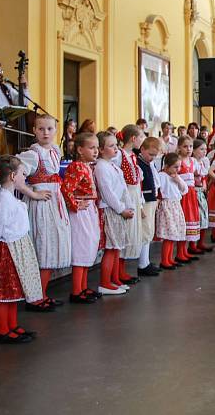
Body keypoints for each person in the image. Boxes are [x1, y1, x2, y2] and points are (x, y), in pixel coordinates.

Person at [16, 115, 72, 312]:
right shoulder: (34, 153)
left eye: (49, 129)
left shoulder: (54, 150)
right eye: (41, 129)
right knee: (43, 248)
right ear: (34, 130)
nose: (45, 132)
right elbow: (16, 177)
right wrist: (33, 193)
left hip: (54, 204)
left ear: (56, 131)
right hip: (41, 206)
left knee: (50, 247)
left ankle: (42, 294)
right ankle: (35, 298)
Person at [0, 155, 43, 344]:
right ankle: (3, 330)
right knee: (4, 293)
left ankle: (12, 325)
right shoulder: (2, 201)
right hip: (6, 251)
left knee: (13, 291)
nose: (25, 176)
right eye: (23, 173)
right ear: (13, 176)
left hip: (16, 248)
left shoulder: (9, 198)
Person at [60, 132, 102, 303]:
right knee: (81, 248)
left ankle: (83, 287)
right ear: (79, 149)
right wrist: (75, 205)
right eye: (91, 148)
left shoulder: (87, 166)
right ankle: (76, 290)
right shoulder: (77, 166)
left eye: (97, 148)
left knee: (88, 247)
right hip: (80, 212)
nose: (96, 151)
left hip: (88, 209)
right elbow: (66, 189)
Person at [94, 131, 134, 295]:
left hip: (119, 209)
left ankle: (115, 279)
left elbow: (123, 187)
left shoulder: (112, 165)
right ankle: (105, 282)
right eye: (111, 146)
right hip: (111, 210)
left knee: (117, 247)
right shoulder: (101, 167)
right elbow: (107, 192)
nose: (116, 148)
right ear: (101, 150)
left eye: (116, 145)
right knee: (111, 248)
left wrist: (129, 205)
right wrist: (121, 209)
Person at [115, 124, 145, 285]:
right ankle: (118, 271)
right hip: (125, 194)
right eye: (141, 137)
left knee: (131, 232)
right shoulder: (119, 155)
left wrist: (140, 203)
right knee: (124, 233)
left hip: (133, 194)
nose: (142, 140)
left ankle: (122, 270)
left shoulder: (132, 155)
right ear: (133, 138)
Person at [155, 153, 188, 269]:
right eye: (175, 167)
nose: (177, 169)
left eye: (179, 167)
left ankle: (170, 259)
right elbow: (158, 190)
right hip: (167, 206)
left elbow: (185, 190)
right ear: (166, 166)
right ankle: (164, 261)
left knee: (173, 233)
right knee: (168, 236)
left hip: (175, 206)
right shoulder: (162, 175)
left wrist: (178, 180)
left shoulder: (176, 177)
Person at [135, 136, 162, 276]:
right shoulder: (139, 163)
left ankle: (146, 261)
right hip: (144, 201)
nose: (152, 158)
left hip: (151, 200)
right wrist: (139, 206)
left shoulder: (149, 164)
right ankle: (142, 264)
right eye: (150, 154)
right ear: (142, 149)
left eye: (155, 155)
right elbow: (138, 186)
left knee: (149, 231)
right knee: (145, 232)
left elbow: (155, 181)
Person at [176, 135, 200, 262]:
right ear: (179, 147)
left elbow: (197, 174)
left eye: (190, 146)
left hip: (191, 194)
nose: (188, 149)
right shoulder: (178, 161)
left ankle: (185, 251)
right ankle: (180, 252)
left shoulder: (193, 161)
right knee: (183, 220)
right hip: (182, 195)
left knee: (191, 219)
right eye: (185, 146)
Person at [190, 139, 212, 253]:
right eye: (201, 149)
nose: (204, 151)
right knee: (196, 217)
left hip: (201, 191)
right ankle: (192, 244)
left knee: (203, 216)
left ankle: (201, 242)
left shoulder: (203, 162)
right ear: (193, 150)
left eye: (205, 149)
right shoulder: (192, 161)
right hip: (193, 191)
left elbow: (204, 176)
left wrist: (204, 184)